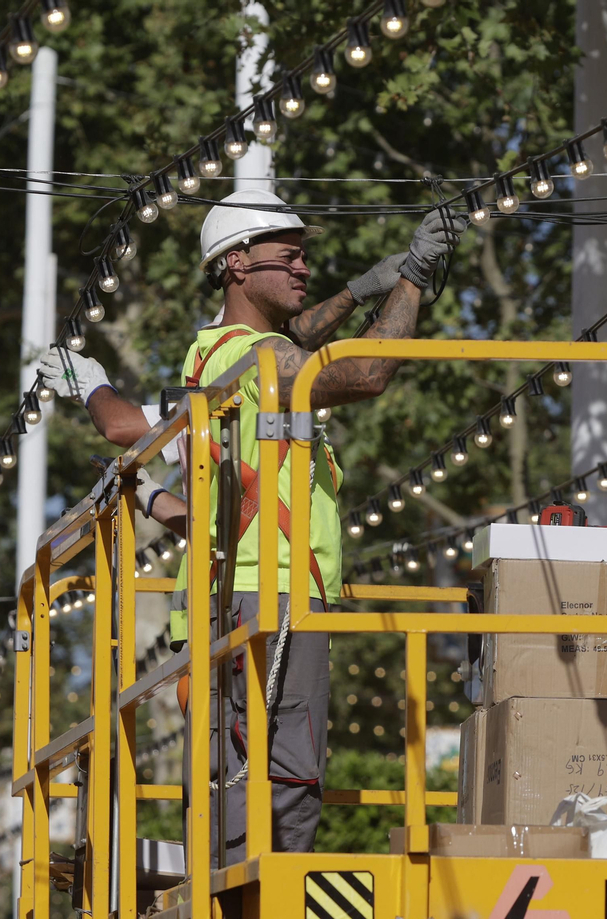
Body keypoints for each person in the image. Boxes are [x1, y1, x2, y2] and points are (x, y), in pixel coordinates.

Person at [39, 189, 466, 861]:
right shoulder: (251, 361)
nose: (303, 269)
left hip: (231, 594)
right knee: (284, 773)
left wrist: (357, 292)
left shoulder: (222, 357)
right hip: (270, 594)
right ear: (236, 263)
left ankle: (229, 887)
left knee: (231, 772)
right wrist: (413, 275)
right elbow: (367, 371)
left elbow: (292, 343)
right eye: (288, 256)